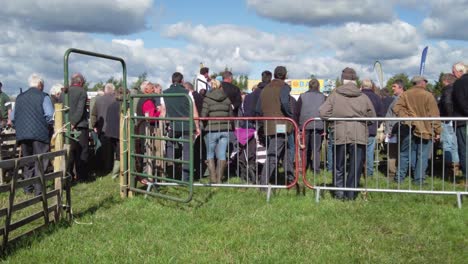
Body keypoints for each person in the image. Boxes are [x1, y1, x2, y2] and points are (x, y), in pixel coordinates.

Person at [319, 67, 376, 200]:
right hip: (359, 134)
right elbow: (372, 116)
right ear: (355, 80)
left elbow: (323, 112)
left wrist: (334, 118)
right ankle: (351, 194)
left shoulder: (334, 94)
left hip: (340, 133)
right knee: (355, 167)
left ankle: (339, 193)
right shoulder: (363, 97)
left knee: (338, 165)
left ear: (342, 79)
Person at [393, 76, 441, 185]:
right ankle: (418, 180)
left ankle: (399, 179)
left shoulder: (405, 94)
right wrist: (438, 131)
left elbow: (397, 108)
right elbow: (434, 115)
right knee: (422, 155)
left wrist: (408, 119)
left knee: (404, 154)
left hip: (408, 127)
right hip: (425, 129)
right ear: (423, 83)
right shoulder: (428, 95)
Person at [12, 74, 54, 195]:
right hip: (40, 133)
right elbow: (50, 115)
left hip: (23, 135)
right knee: (40, 161)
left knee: (27, 161)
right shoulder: (44, 96)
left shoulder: (19, 97)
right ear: (40, 85)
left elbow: (13, 117)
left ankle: (27, 188)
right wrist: (46, 126)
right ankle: (39, 190)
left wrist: (20, 127)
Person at [257, 66, 295, 188]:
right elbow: (284, 102)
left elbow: (257, 109)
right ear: (285, 75)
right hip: (281, 125)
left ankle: (291, 180)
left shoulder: (265, 88)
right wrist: (290, 114)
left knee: (284, 152)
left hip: (268, 125)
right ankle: (263, 184)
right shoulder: (284, 87)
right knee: (273, 155)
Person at [164, 72, 201, 182]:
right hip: (187, 126)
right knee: (187, 152)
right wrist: (197, 127)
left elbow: (163, 111)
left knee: (169, 145)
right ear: (182, 81)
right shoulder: (187, 93)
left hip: (173, 125)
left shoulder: (165, 93)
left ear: (172, 81)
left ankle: (170, 173)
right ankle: (186, 178)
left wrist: (165, 122)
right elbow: (194, 111)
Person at [201, 79, 233, 183]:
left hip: (211, 129)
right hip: (224, 130)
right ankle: (219, 180)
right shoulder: (227, 99)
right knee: (222, 154)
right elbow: (231, 115)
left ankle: (213, 179)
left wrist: (202, 127)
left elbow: (203, 116)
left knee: (210, 154)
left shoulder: (207, 99)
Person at [297, 79, 326, 173]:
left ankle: (303, 168)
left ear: (309, 86)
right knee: (316, 149)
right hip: (318, 125)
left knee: (304, 147)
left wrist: (297, 126)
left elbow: (297, 111)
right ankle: (316, 169)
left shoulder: (302, 96)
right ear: (318, 86)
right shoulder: (323, 97)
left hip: (304, 125)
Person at [66, 73, 89, 181]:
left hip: (66, 126)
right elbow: (80, 110)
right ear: (80, 82)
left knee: (69, 152)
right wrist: (73, 123)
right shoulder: (82, 92)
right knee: (82, 151)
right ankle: (82, 176)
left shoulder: (64, 93)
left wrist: (68, 123)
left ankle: (68, 175)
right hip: (79, 126)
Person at [361, 79, 384, 177]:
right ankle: (369, 173)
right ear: (371, 86)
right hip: (371, 128)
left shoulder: (358, 96)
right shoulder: (377, 98)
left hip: (359, 128)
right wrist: (377, 124)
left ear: (361, 86)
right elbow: (381, 113)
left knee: (358, 151)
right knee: (370, 152)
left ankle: (357, 171)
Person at [91, 83, 116, 174]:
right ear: (113, 90)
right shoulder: (116, 99)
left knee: (103, 149)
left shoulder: (98, 100)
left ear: (105, 90)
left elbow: (93, 114)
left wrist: (93, 125)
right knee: (114, 149)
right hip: (115, 128)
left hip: (102, 128)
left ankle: (104, 167)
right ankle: (111, 167)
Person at [438, 73, 459, 177]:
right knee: (454, 144)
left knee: (447, 144)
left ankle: (450, 169)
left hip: (447, 120)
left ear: (445, 81)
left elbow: (447, 103)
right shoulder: (456, 89)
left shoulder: (447, 90)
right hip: (455, 119)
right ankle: (456, 167)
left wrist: (448, 117)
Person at [384, 79, 405, 178]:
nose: (392, 89)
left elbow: (390, 116)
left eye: (394, 86)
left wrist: (388, 131)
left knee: (393, 153)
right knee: (394, 152)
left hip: (395, 130)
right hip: (395, 129)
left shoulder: (400, 99)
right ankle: (395, 172)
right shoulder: (396, 99)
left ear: (400, 87)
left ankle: (393, 173)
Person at [452, 62, 468, 184]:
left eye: (454, 72)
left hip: (463, 121)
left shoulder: (459, 83)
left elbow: (461, 101)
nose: (453, 74)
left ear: (460, 71)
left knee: (464, 149)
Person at [106, 88, 125, 179]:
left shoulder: (111, 105)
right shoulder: (123, 106)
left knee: (117, 152)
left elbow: (107, 119)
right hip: (119, 133)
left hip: (111, 132)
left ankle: (116, 172)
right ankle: (115, 173)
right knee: (120, 153)